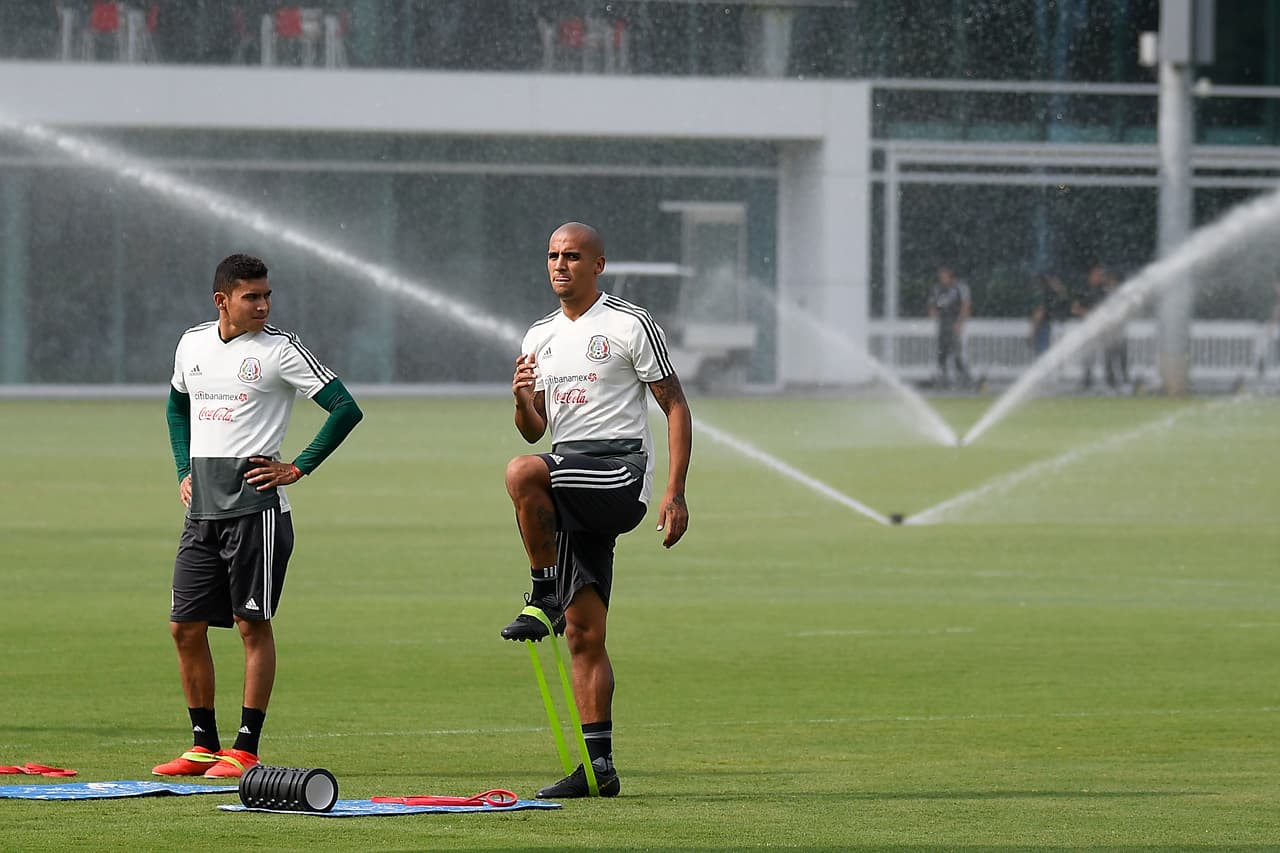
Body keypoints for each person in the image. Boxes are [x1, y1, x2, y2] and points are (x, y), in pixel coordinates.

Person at [152, 253, 363, 779]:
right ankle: (203, 745)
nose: (264, 305)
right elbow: (177, 405)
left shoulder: (281, 350)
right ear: (223, 300)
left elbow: (345, 407)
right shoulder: (191, 344)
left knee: (251, 624)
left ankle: (245, 747)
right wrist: (183, 467)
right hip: (202, 512)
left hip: (257, 513)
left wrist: (299, 467)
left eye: (267, 295)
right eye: (252, 297)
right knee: (184, 627)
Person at [500, 222, 692, 799]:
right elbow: (535, 427)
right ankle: (598, 768)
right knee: (584, 635)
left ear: (598, 265)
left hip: (618, 474)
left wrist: (675, 491)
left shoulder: (629, 325)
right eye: (553, 255)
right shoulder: (538, 335)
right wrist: (520, 401)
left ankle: (542, 592)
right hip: (569, 479)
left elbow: (676, 405)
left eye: (573, 256)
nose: (561, 265)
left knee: (522, 470)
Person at [1072, 262, 1121, 392]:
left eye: (1101, 275)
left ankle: (1111, 381)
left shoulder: (1104, 290)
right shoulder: (1083, 290)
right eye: (1098, 274)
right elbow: (1075, 309)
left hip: (1103, 329)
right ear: (1091, 275)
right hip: (1088, 329)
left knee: (1108, 355)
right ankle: (1086, 382)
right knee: (1089, 356)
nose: (1100, 277)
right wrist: (1089, 315)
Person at [927, 265, 973, 388]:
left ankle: (966, 379)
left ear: (950, 276)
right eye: (940, 277)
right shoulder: (938, 289)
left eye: (944, 276)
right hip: (943, 323)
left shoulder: (960, 287)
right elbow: (933, 305)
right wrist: (934, 314)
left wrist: (960, 322)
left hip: (955, 321)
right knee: (942, 353)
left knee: (957, 353)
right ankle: (943, 380)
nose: (941, 279)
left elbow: (966, 305)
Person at [1029, 272, 1069, 357]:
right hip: (1044, 327)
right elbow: (1040, 313)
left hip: (1046, 326)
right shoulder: (1046, 294)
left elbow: (1039, 313)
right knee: (1043, 353)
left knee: (1043, 354)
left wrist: (1033, 333)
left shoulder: (1048, 294)